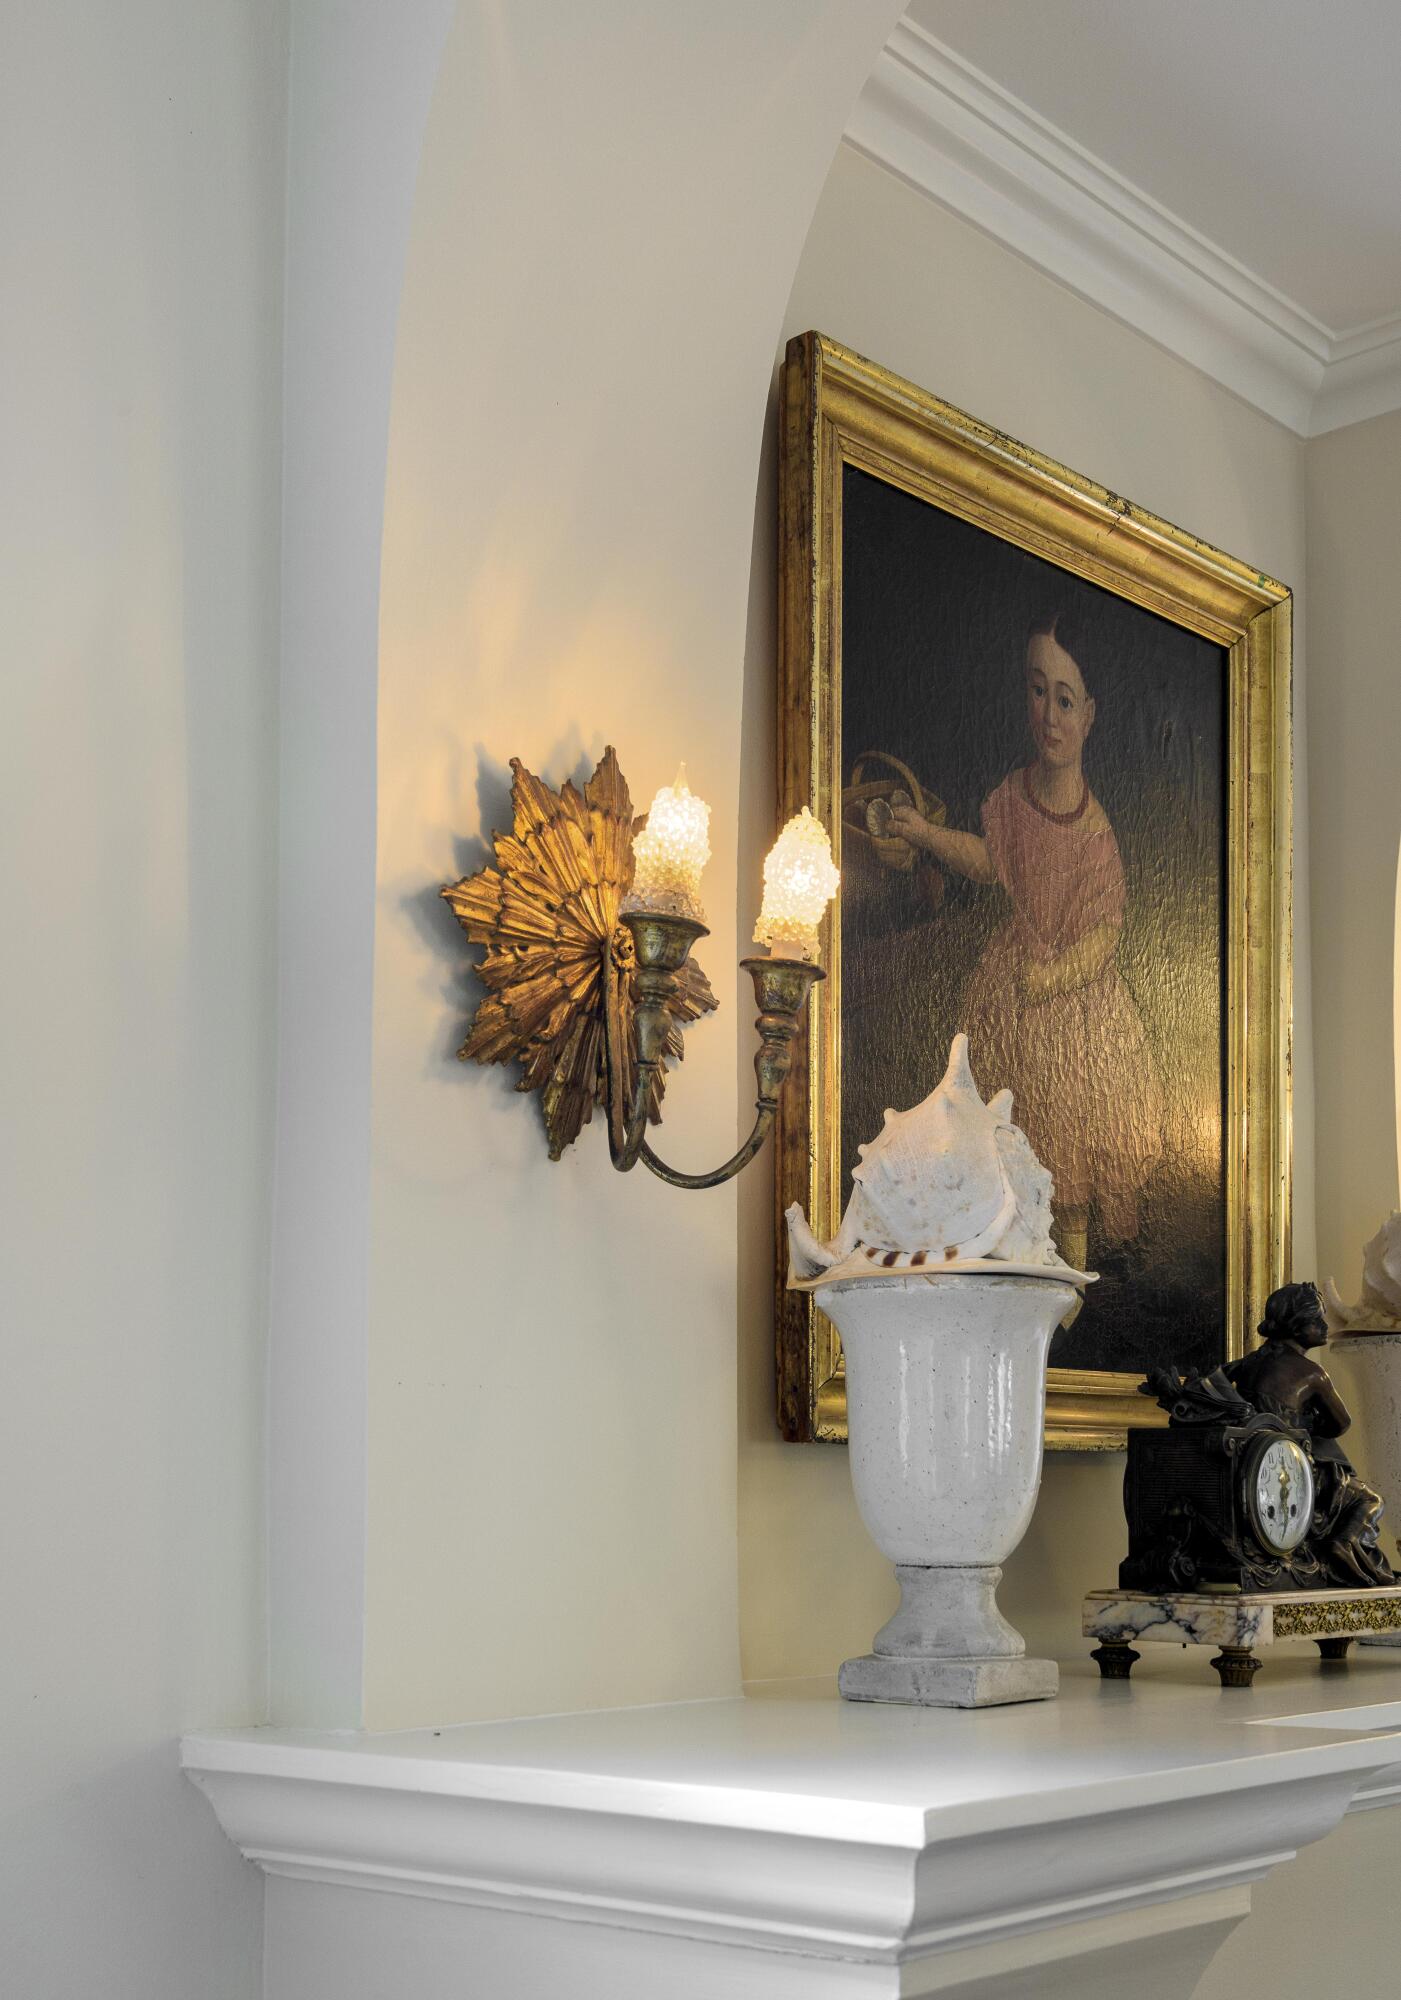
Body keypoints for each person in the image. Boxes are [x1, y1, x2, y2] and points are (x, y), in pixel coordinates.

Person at [890, 611, 1163, 1274]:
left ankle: (1069, 1287)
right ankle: (1008, 1265)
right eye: (1036, 691)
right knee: (1004, 1147)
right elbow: (992, 863)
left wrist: (1055, 976)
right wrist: (924, 837)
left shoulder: (1094, 831)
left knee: (1068, 1155)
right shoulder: (1010, 797)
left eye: (1064, 699)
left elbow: (1106, 931)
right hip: (1007, 994)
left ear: (1089, 714)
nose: (1048, 714)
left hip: (1073, 1010)